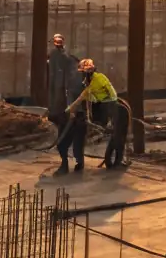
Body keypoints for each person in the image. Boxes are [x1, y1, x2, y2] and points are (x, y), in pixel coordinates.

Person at [66, 59, 129, 169]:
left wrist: (68, 109)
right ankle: (114, 161)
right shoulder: (94, 79)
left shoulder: (96, 81)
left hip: (112, 106)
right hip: (108, 104)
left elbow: (83, 97)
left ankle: (117, 161)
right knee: (115, 136)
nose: (82, 77)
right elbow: (87, 98)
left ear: (88, 73)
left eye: (83, 74)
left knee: (117, 137)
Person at [48, 34, 83, 175]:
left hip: (74, 111)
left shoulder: (69, 61)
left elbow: (71, 87)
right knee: (63, 142)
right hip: (63, 108)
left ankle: (78, 163)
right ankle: (66, 163)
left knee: (76, 141)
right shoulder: (56, 58)